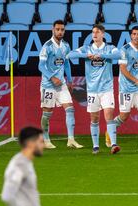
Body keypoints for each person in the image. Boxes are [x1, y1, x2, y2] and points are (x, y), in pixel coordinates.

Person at [1, 126, 81, 206]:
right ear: (31, 143)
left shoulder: (27, 163)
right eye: (41, 141)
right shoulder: (19, 165)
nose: (43, 145)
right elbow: (7, 196)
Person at [67, 24, 121, 154]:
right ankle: (96, 146)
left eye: (97, 32)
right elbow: (70, 55)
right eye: (93, 32)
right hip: (92, 90)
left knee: (109, 114)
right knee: (94, 118)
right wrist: (87, 55)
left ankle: (114, 144)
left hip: (106, 88)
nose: (95, 34)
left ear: (103, 34)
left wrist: (103, 56)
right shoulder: (87, 48)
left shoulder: (109, 48)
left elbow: (118, 54)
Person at [108, 26, 138, 149]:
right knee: (124, 116)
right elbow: (123, 69)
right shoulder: (124, 49)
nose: (136, 36)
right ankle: (110, 130)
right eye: (134, 34)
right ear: (131, 36)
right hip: (126, 88)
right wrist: (137, 81)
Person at [38, 20, 83, 149]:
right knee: (47, 113)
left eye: (62, 29)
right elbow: (40, 65)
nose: (60, 32)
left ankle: (71, 140)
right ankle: (45, 140)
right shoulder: (47, 46)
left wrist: (69, 81)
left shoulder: (66, 46)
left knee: (70, 109)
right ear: (53, 30)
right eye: (57, 29)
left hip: (62, 84)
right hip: (48, 85)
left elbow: (66, 63)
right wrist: (52, 78)